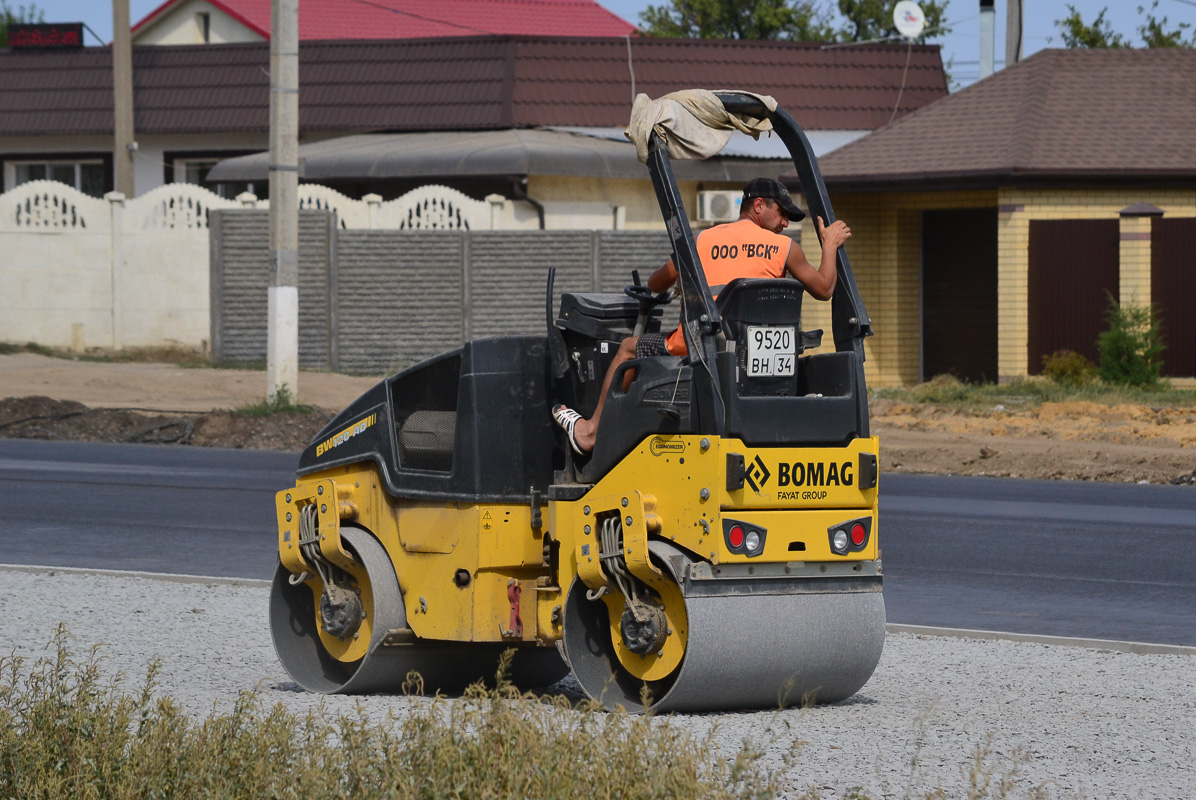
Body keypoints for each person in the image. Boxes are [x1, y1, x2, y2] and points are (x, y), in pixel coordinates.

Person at [552, 177, 851, 455]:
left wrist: (682, 282)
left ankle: (590, 434)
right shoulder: (787, 249)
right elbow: (824, 288)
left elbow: (655, 283)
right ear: (759, 206)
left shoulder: (701, 241)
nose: (785, 222)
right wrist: (830, 246)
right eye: (782, 213)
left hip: (701, 346)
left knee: (630, 347)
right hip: (761, 356)